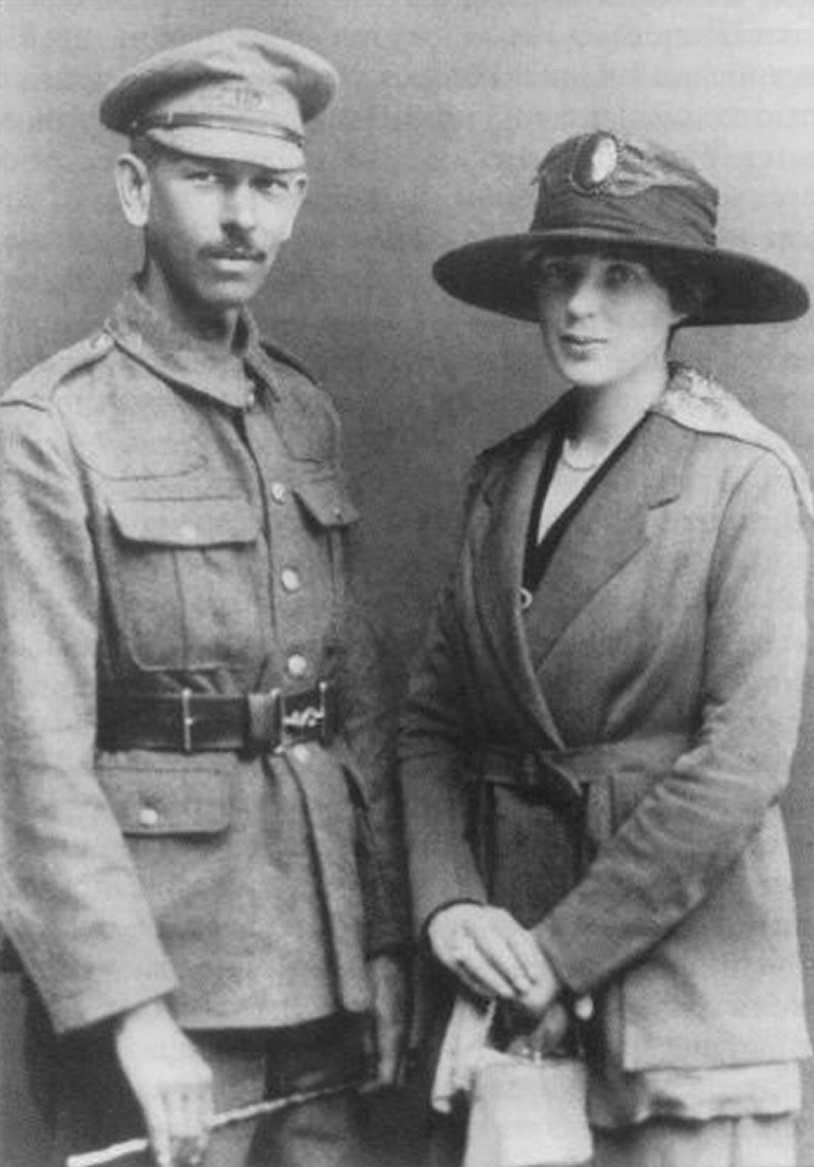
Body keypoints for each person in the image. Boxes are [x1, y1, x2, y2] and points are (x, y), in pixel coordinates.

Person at [0, 29, 410, 1167]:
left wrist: (382, 942)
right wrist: (129, 1011)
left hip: (322, 965)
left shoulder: (301, 412)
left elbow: (356, 701)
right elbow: (30, 754)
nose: (242, 218)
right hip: (164, 980)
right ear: (137, 188)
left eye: (270, 185)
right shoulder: (50, 429)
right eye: (208, 178)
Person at [399, 129, 812, 1167]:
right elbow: (430, 724)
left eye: (619, 276)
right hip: (503, 976)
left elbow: (743, 761)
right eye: (560, 273)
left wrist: (563, 954)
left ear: (684, 297)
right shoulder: (500, 482)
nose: (580, 306)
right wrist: (449, 903)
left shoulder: (744, 481)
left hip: (684, 1006)